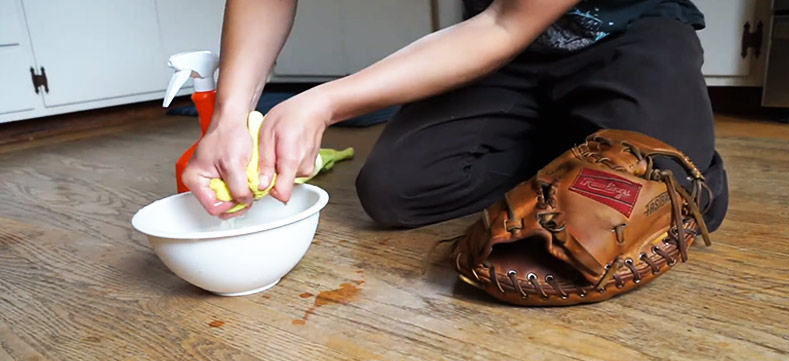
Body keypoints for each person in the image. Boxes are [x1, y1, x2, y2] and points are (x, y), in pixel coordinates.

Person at [183, 0, 728, 233]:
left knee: (663, 193)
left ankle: (679, 147)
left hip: (626, 33)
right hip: (507, 47)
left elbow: (504, 23)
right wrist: (230, 117)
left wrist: (325, 101)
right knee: (396, 190)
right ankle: (573, 141)